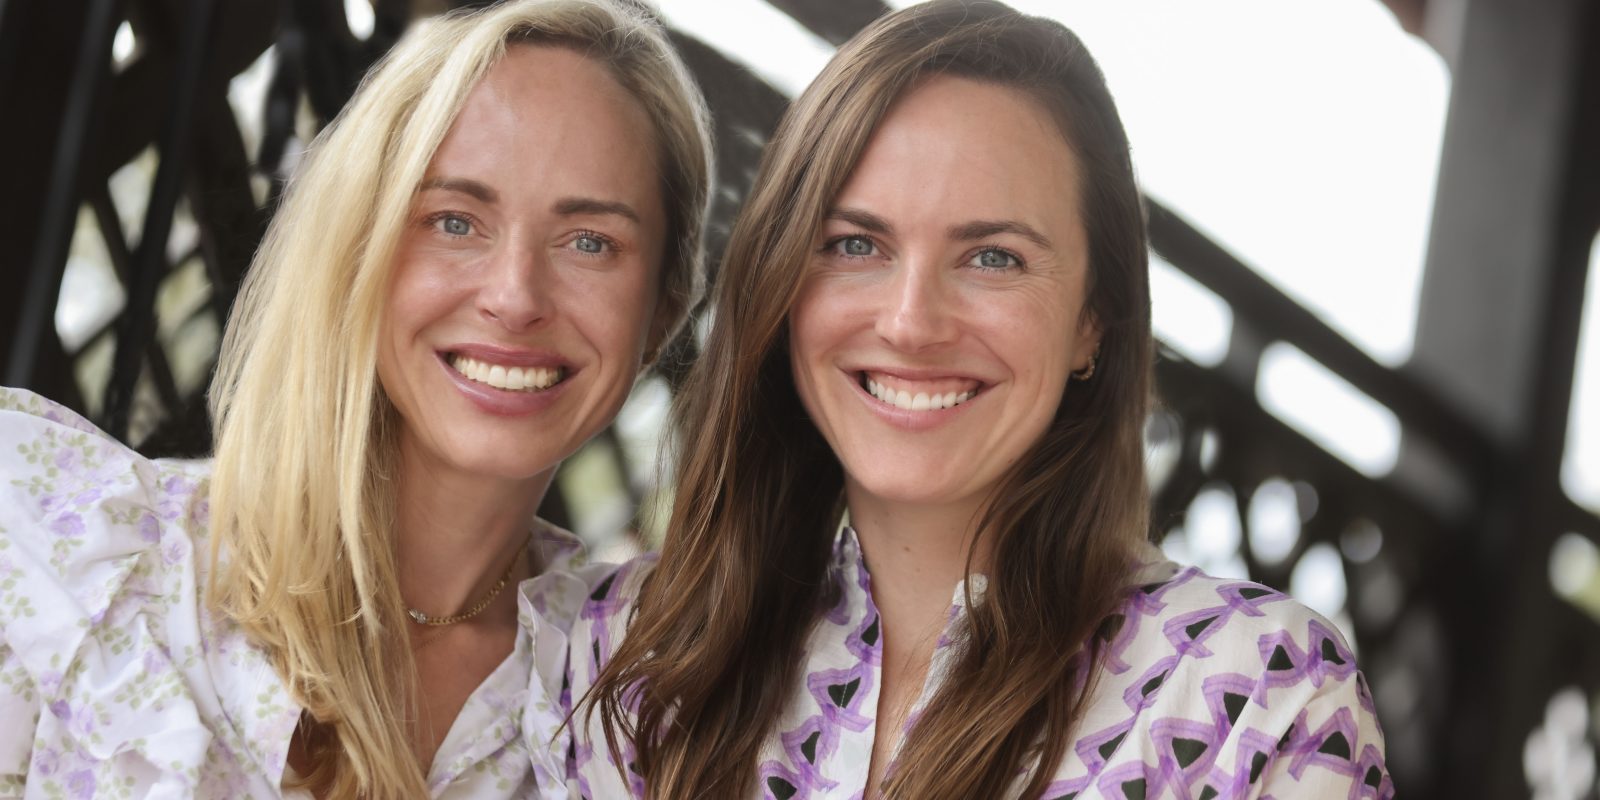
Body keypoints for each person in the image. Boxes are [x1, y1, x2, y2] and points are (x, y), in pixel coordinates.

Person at [570, 1, 1392, 798]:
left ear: (1092, 321)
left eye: (993, 258)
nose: (911, 321)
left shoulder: (1259, 698)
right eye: (856, 244)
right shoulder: (629, 654)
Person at [0, 0, 711, 796]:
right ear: (355, 249)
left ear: (662, 310)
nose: (515, 297)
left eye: (591, 243)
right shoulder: (53, 561)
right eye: (454, 220)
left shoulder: (640, 722)